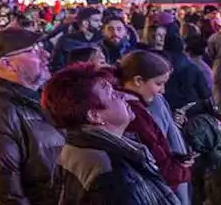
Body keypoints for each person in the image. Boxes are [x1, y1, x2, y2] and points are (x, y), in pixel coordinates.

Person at [42, 63, 176, 204]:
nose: (123, 96)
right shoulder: (111, 171)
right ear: (95, 115)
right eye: (112, 94)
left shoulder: (77, 148)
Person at [0, 28, 63, 205]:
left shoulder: (38, 97)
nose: (45, 55)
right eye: (34, 51)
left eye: (42, 47)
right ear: (7, 63)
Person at [116, 50, 193, 203]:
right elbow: (155, 161)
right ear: (138, 80)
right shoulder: (134, 114)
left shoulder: (133, 106)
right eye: (158, 83)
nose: (162, 91)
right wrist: (182, 171)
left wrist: (175, 159)